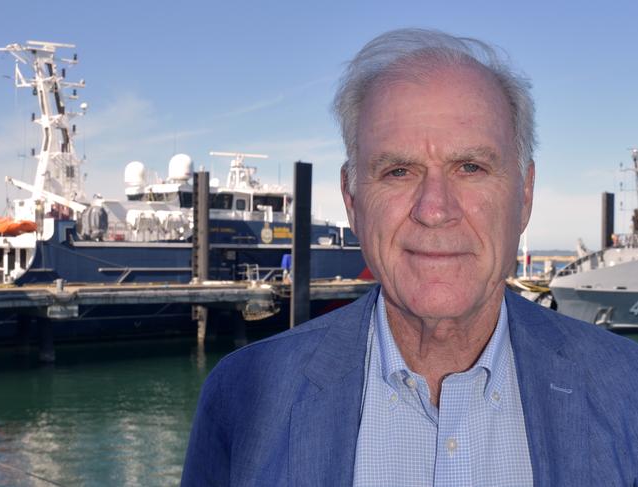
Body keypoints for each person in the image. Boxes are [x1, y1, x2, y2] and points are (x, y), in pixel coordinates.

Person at [181, 29, 638, 486]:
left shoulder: (626, 389)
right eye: (398, 171)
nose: (435, 209)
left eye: (471, 167)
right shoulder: (241, 397)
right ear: (353, 200)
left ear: (525, 195)